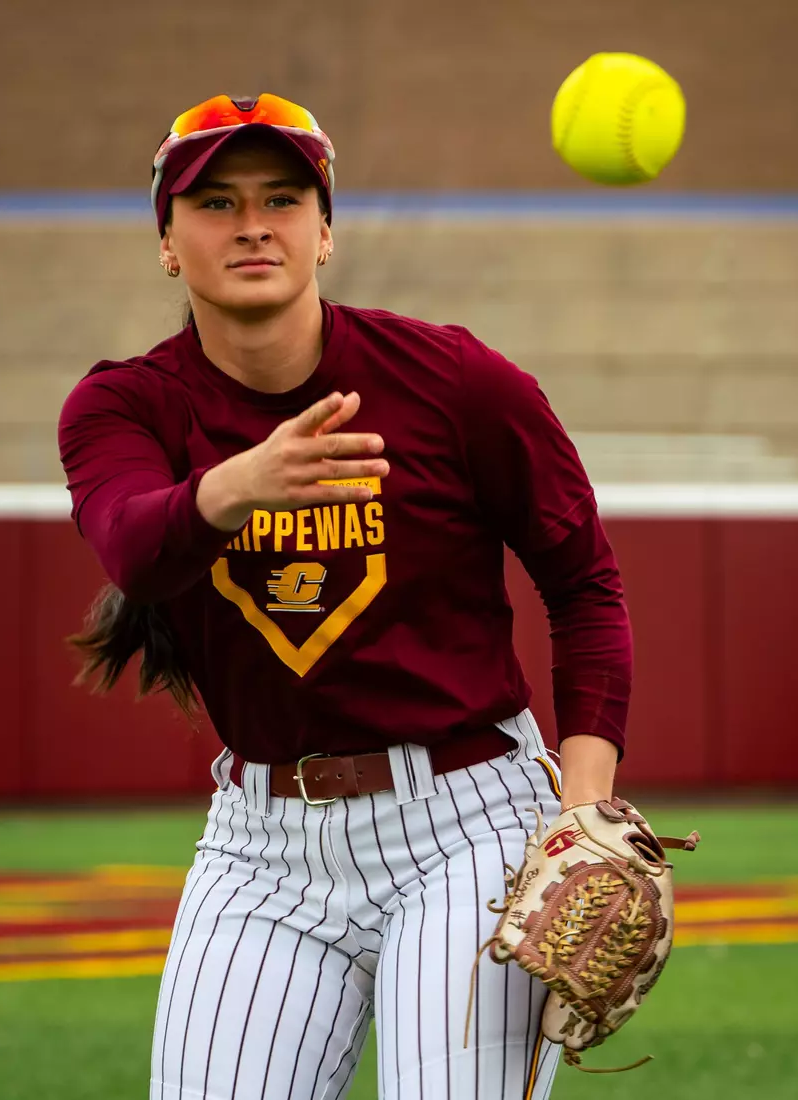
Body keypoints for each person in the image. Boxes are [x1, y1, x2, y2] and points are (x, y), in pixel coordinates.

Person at [58, 93, 632, 1100]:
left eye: (283, 197)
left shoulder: (457, 380)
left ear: (323, 232)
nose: (252, 224)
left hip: (469, 824)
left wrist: (581, 804)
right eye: (214, 203)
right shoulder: (124, 404)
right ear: (165, 242)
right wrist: (242, 482)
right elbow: (133, 549)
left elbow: (582, 582)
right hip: (263, 843)